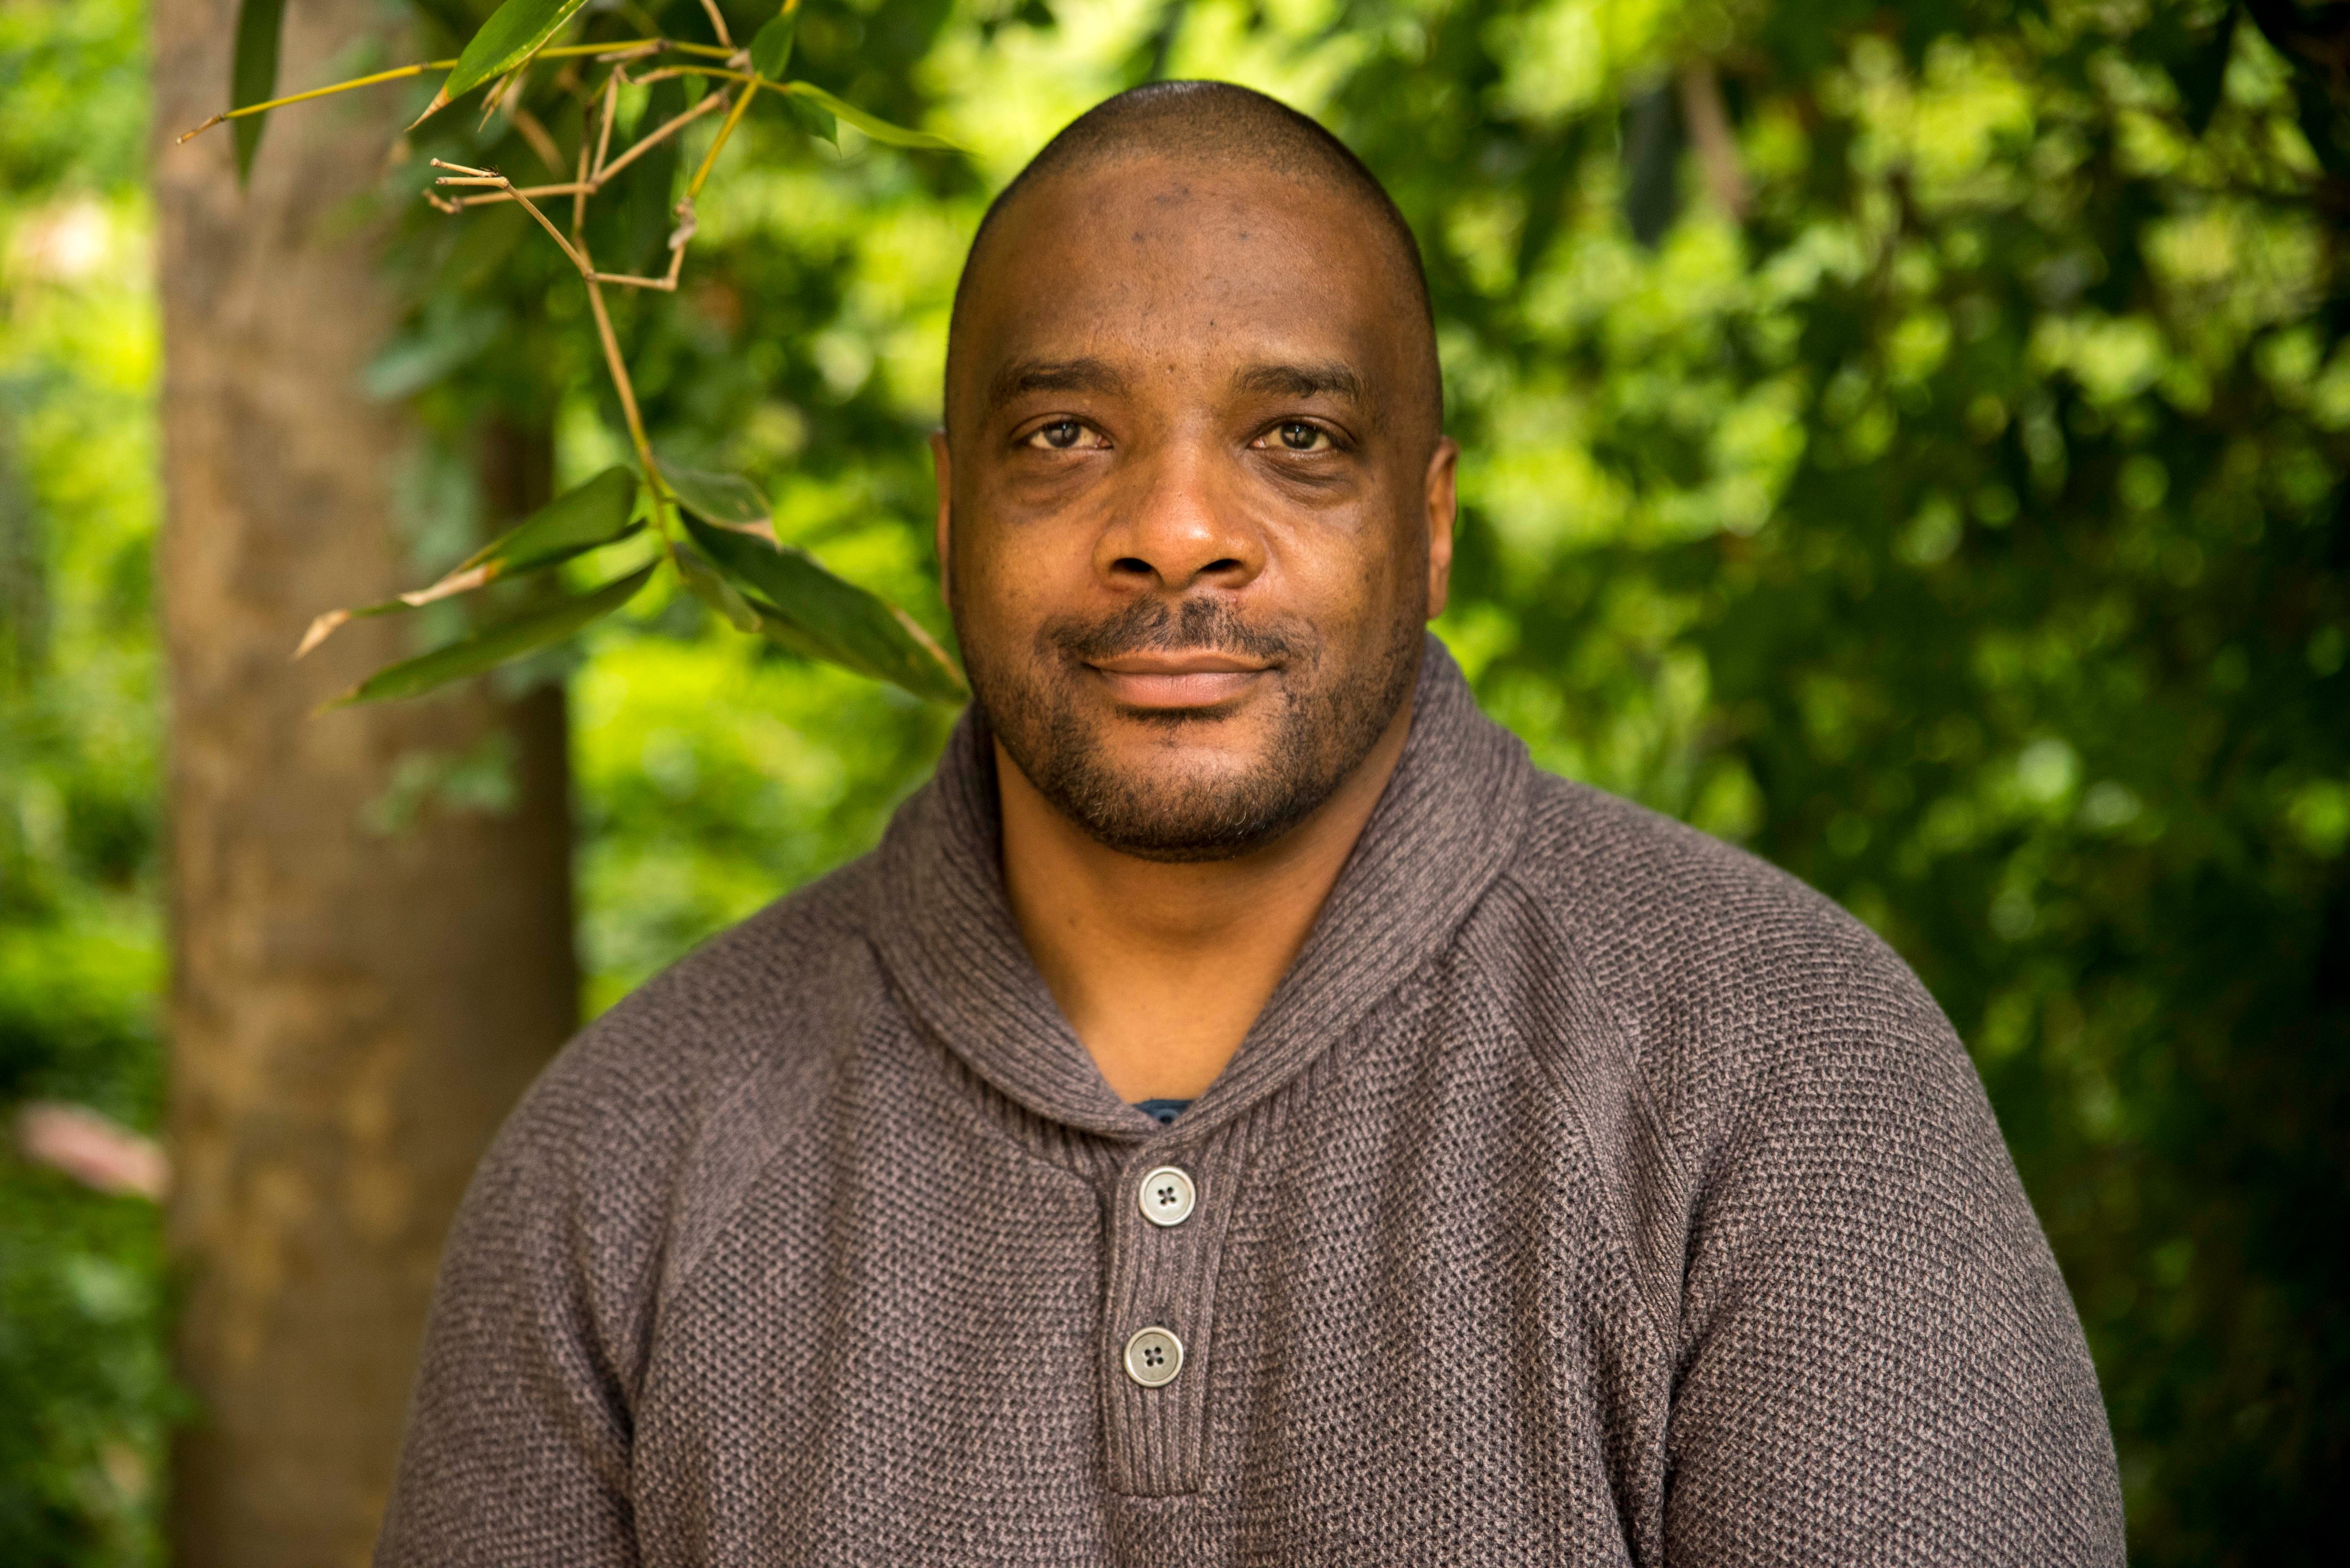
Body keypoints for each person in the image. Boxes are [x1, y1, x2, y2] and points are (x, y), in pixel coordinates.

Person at [375, 81, 2124, 1564]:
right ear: (951, 513)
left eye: (1295, 438)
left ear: (1430, 525)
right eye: (1068, 434)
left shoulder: (1789, 1075)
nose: (1178, 530)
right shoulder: (628, 1161)